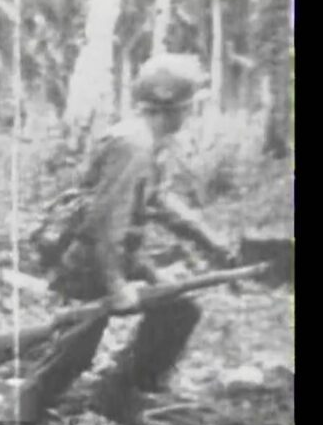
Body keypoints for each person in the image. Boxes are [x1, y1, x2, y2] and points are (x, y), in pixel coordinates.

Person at [37, 54, 236, 401]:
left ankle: (123, 392)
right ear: (171, 108)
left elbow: (159, 201)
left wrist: (210, 241)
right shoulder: (133, 145)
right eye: (188, 106)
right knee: (69, 361)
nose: (190, 113)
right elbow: (106, 222)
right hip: (91, 262)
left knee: (179, 309)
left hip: (118, 255)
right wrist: (116, 285)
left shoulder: (147, 140)